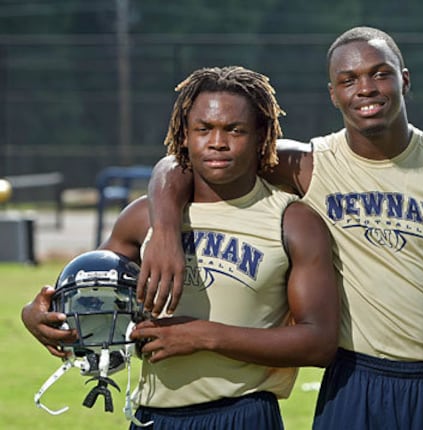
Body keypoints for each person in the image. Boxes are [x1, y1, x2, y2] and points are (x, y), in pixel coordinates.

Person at [141, 27, 423, 429]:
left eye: (380, 74)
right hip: (354, 382)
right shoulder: (308, 166)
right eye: (348, 80)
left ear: (404, 80)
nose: (366, 89)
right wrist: (164, 232)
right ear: (333, 94)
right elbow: (185, 160)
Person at [21, 65, 339, 429]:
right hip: (152, 417)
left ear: (261, 135)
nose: (217, 142)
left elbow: (319, 342)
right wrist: (36, 314)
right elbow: (88, 291)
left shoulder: (293, 221)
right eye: (204, 129)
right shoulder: (144, 218)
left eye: (234, 130)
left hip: (243, 413)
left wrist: (206, 336)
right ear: (184, 135)